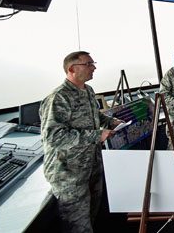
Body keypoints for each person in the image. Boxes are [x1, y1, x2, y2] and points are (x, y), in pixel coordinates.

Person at [40, 51, 123, 232]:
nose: (93, 67)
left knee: (92, 217)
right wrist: (96, 135)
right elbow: (54, 137)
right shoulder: (58, 98)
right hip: (69, 173)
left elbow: (94, 116)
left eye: (93, 63)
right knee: (78, 226)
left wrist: (111, 122)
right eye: (88, 64)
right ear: (72, 69)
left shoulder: (88, 90)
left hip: (91, 165)